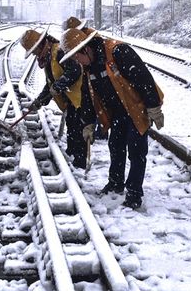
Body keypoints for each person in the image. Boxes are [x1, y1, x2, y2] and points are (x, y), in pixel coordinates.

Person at [59, 28, 165, 209]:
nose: (77, 62)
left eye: (77, 57)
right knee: (115, 146)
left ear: (85, 49)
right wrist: (88, 124)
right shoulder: (88, 66)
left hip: (136, 108)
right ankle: (115, 183)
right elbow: (87, 97)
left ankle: (134, 193)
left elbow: (143, 78)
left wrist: (153, 107)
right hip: (117, 111)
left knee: (136, 151)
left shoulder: (117, 51)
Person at [19, 27, 88, 169]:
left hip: (81, 97)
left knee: (78, 130)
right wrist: (40, 100)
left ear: (41, 45)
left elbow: (74, 70)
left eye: (35, 51)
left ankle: (79, 164)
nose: (35, 55)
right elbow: (51, 83)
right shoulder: (49, 56)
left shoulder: (59, 51)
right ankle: (72, 155)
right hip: (72, 100)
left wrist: (58, 86)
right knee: (72, 126)